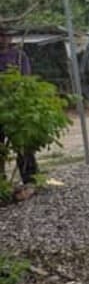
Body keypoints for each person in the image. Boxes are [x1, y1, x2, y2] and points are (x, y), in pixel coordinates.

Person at [0, 29, 39, 185]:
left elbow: (26, 80)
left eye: (5, 36)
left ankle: (30, 179)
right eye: (0, 36)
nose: (3, 39)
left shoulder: (19, 56)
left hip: (16, 107)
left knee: (23, 145)